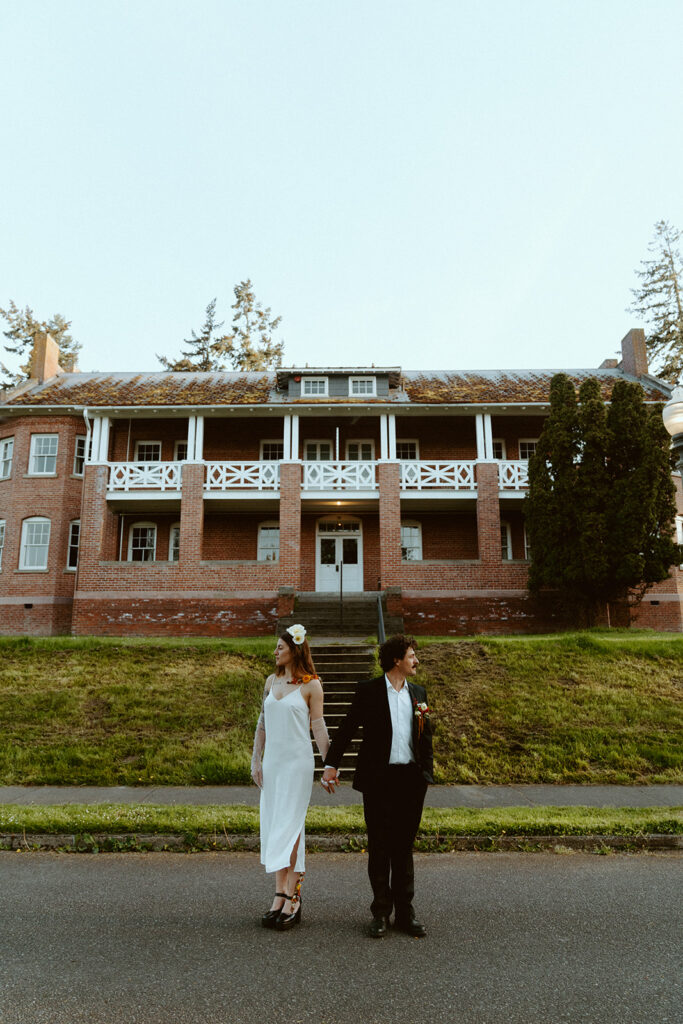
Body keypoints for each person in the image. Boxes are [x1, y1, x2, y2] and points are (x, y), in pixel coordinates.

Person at [321, 634, 433, 938]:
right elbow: (346, 728)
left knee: (404, 847)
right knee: (380, 847)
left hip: (411, 781)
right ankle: (381, 913)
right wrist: (331, 765)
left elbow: (425, 737)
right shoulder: (369, 691)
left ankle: (405, 913)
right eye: (411, 655)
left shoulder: (419, 693)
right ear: (396, 659)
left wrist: (427, 774)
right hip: (379, 781)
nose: (416, 661)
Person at [251, 624, 335, 930]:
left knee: (291, 826)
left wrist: (330, 765)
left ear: (295, 650)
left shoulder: (312, 685)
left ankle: (292, 896)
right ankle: (278, 895)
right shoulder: (271, 681)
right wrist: (256, 759)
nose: (275, 652)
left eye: (280, 648)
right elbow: (262, 723)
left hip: (298, 764)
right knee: (275, 826)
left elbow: (319, 728)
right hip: (273, 763)